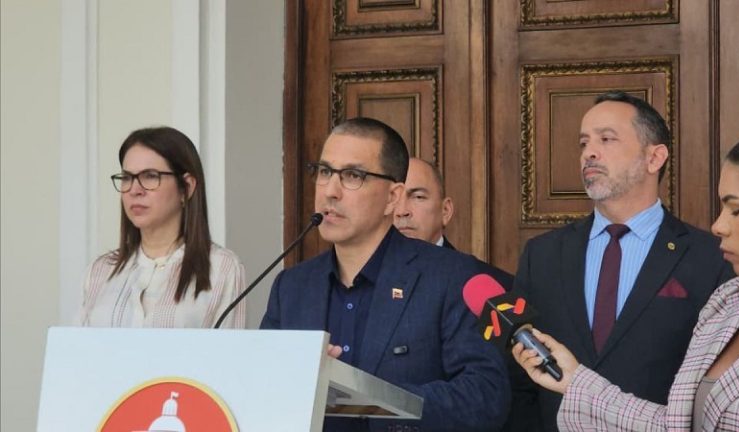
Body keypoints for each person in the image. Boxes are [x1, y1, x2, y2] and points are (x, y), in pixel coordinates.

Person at [260, 117, 511, 431]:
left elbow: (484, 396)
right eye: (324, 172)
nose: (330, 191)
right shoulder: (291, 287)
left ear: (393, 197)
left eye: (353, 176)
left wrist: (368, 401)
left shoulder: (449, 276)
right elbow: (261, 389)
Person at [513, 128, 739, 431]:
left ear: (655, 157)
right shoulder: (730, 300)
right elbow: (674, 425)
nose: (718, 225)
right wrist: (574, 380)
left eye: (736, 209)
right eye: (583, 142)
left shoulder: (706, 261)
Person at [394, 157, 533, 430]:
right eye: (394, 199)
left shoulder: (491, 285)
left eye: (417, 197)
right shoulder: (358, 283)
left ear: (446, 211)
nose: (402, 211)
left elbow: (521, 387)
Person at [78, 126, 246, 328]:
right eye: (127, 178)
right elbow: (75, 346)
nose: (135, 190)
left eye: (150, 176)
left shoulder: (221, 268)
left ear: (187, 187)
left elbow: (228, 348)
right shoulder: (100, 270)